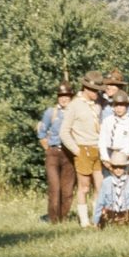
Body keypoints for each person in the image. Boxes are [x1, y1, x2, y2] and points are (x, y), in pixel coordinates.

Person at [60, 70, 106, 228]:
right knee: (84, 187)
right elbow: (64, 132)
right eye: (95, 90)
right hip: (83, 149)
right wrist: (77, 150)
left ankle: (97, 219)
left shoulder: (99, 104)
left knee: (100, 186)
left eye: (98, 91)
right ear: (86, 88)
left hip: (97, 149)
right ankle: (84, 221)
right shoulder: (74, 105)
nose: (97, 93)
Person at [37, 81, 76, 223]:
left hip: (69, 154)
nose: (64, 99)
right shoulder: (51, 112)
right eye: (61, 96)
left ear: (71, 97)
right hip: (53, 153)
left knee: (67, 190)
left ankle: (63, 218)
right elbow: (41, 132)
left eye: (66, 96)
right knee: (55, 187)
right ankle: (53, 219)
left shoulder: (74, 113)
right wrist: (48, 149)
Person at [91, 151, 129, 228]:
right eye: (115, 167)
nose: (118, 170)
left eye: (121, 167)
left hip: (128, 216)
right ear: (111, 167)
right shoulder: (106, 182)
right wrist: (95, 221)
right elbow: (100, 203)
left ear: (126, 167)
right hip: (109, 216)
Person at [98, 91, 129, 168]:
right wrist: (105, 158)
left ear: (127, 106)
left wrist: (121, 157)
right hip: (108, 154)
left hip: (123, 156)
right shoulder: (107, 121)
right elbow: (102, 140)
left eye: (121, 105)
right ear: (113, 106)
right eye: (116, 105)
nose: (118, 108)